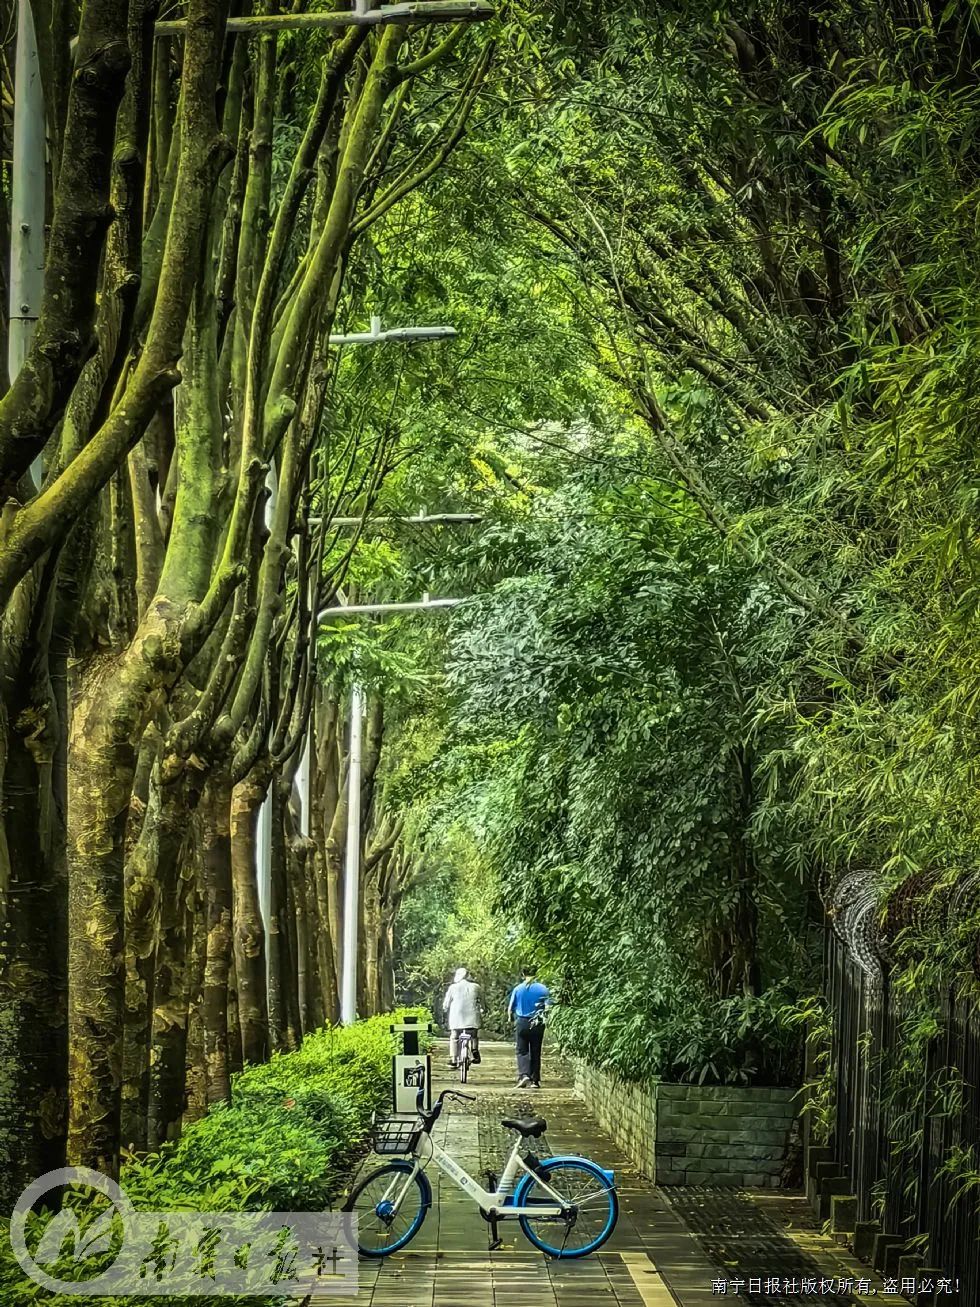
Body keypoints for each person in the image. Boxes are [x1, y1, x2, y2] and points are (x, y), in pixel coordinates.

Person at [507, 962, 551, 1089]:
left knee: (522, 1050)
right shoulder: (543, 989)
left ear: (523, 974)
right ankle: (535, 1081)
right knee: (536, 1050)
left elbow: (510, 1008)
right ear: (536, 974)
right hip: (538, 1022)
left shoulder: (518, 988)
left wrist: (510, 1019)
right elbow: (547, 1007)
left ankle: (524, 1074)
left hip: (522, 1022)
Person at [442, 966, 483, 1068]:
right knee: (474, 1035)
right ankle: (475, 1050)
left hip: (457, 1018)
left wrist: (445, 1009)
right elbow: (482, 1002)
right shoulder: (476, 987)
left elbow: (446, 1004)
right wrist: (484, 1009)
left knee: (454, 1036)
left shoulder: (452, 987)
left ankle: (454, 1059)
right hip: (472, 1018)